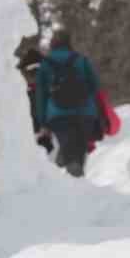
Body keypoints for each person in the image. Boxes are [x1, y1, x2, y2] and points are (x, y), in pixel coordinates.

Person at [33, 30, 102, 177]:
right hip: (85, 113)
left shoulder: (45, 64)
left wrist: (42, 122)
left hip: (58, 115)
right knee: (78, 150)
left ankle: (65, 169)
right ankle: (71, 173)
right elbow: (95, 86)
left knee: (68, 146)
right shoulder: (82, 60)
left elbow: (40, 95)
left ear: (52, 44)